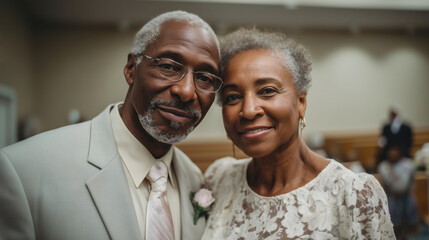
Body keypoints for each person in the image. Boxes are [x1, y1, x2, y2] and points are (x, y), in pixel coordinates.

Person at [0, 10, 221, 240]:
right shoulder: (24, 170)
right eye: (168, 66)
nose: (186, 91)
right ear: (131, 69)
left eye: (205, 78)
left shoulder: (194, 177)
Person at [202, 28, 394, 239]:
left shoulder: (353, 195)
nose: (248, 110)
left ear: (301, 102)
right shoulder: (220, 178)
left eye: (267, 91)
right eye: (232, 97)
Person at [378, 145, 419, 239]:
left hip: (406, 193)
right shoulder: (384, 166)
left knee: (410, 205)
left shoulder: (408, 163)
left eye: (395, 151)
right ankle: (396, 232)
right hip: (391, 194)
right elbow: (386, 184)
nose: (393, 154)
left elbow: (411, 181)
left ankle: (408, 232)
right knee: (393, 208)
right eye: (391, 152)